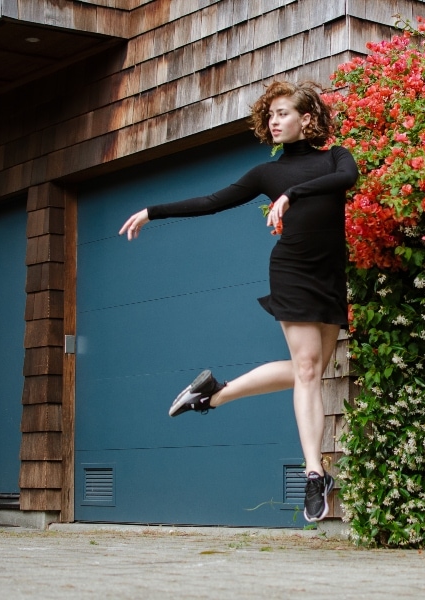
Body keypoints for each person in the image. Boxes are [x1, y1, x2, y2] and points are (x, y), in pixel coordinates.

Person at [118, 81, 359, 523]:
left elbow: (347, 179)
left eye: (283, 113)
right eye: (270, 116)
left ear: (307, 119)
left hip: (330, 275)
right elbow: (212, 201)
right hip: (294, 270)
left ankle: (211, 397)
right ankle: (313, 474)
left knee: (312, 371)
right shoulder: (266, 174)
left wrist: (292, 195)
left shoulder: (335, 157)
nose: (274, 121)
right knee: (307, 370)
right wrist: (154, 211)